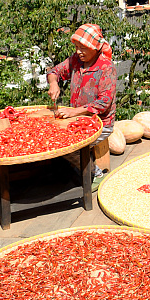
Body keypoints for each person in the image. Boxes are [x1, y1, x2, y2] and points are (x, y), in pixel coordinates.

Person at [47, 23, 117, 192]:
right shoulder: (75, 61)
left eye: (83, 48)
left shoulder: (106, 68)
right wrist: (53, 84)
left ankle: (96, 174)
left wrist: (74, 111)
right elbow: (54, 72)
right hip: (78, 120)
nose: (79, 51)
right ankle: (74, 169)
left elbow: (103, 103)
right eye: (77, 47)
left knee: (68, 147)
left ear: (95, 47)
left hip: (100, 123)